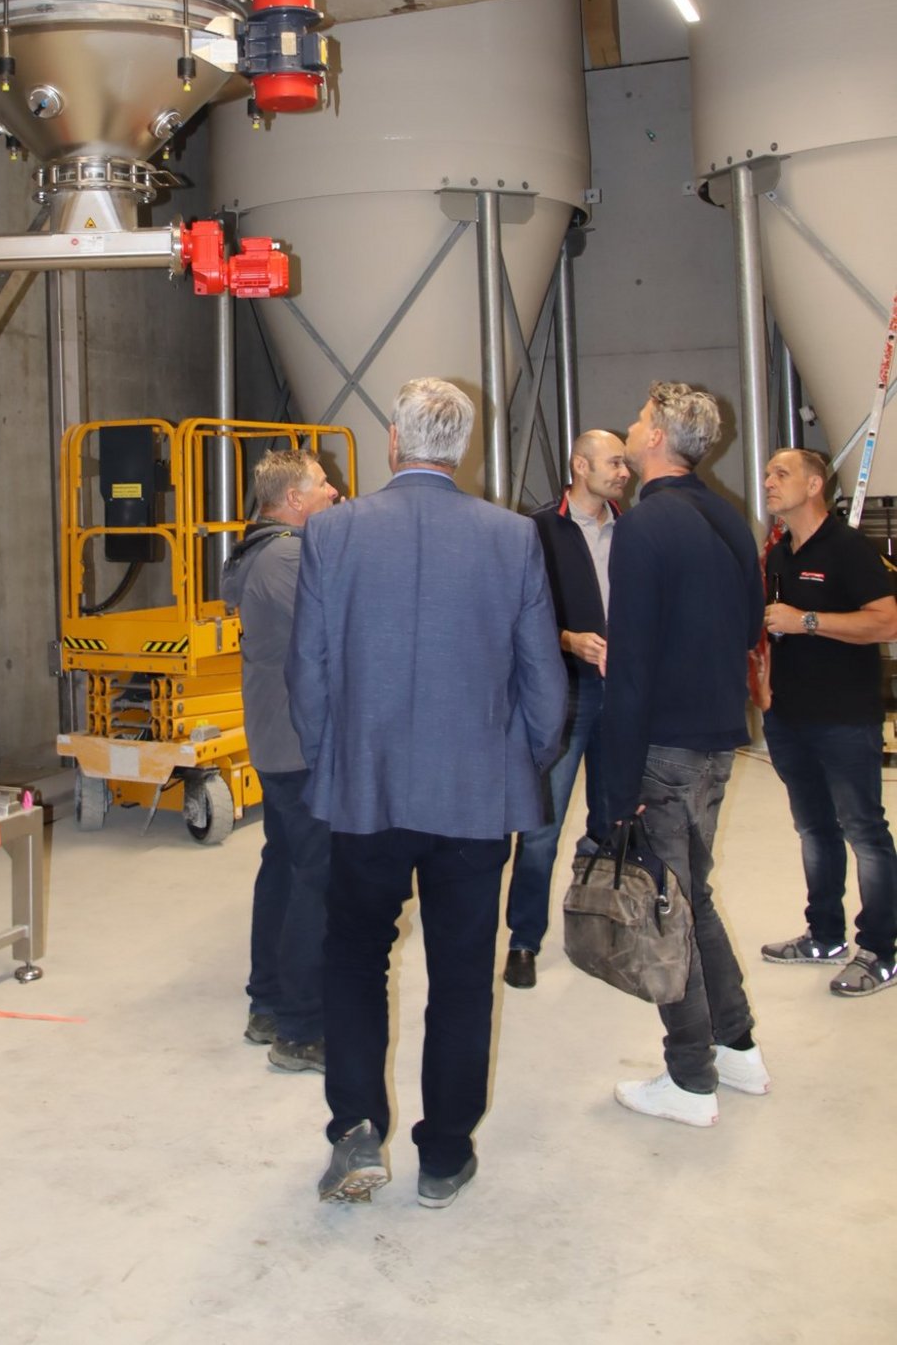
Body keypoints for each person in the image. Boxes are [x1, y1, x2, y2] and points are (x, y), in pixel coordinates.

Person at [287, 377, 566, 1210]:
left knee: (354, 955)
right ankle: (444, 1154)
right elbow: (544, 685)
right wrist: (520, 763)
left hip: (365, 790)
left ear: (392, 439)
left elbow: (308, 672)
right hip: (475, 796)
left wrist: (332, 762)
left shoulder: (333, 531)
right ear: (463, 445)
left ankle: (355, 1127)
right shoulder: (512, 535)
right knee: (462, 972)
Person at [601, 381, 768, 1128]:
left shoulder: (643, 526)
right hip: (717, 737)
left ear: (658, 438)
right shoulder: (728, 517)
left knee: (667, 911)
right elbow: (749, 625)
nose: (631, 425)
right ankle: (737, 1047)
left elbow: (631, 666)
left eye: (640, 418)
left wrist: (616, 784)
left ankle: (691, 1078)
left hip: (664, 746)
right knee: (691, 895)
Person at [759, 447, 897, 995]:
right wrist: (766, 689)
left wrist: (808, 621)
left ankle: (882, 950)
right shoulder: (779, 554)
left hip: (844, 719)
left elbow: (887, 622)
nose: (769, 481)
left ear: (815, 485)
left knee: (864, 830)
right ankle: (824, 935)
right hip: (789, 718)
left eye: (781, 473)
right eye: (767, 473)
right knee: (814, 828)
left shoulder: (848, 548)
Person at [221, 448, 339, 1072]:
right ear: (293, 499)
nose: (334, 491)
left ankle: (267, 1003)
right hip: (301, 743)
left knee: (286, 868)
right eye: (322, 483)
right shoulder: (287, 559)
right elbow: (339, 637)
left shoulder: (261, 552)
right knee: (316, 880)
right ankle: (301, 1029)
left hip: (278, 736)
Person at [503, 430, 631, 988]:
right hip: (564, 694)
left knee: (611, 821)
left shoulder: (632, 530)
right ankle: (523, 941)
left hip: (622, 696)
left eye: (625, 463)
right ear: (580, 465)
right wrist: (567, 640)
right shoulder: (536, 531)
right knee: (541, 828)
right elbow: (514, 614)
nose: (624, 472)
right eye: (613, 463)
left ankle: (595, 929)